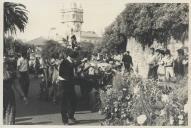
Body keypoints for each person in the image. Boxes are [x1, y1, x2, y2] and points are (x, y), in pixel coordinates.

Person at [58, 50, 87, 125]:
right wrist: (80, 61)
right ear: (71, 57)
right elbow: (70, 67)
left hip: (70, 84)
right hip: (64, 84)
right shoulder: (64, 62)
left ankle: (71, 116)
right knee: (64, 103)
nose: (75, 60)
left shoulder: (70, 62)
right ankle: (65, 121)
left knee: (74, 100)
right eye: (75, 58)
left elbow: (73, 69)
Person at [3, 57, 16, 124]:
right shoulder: (10, 73)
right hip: (8, 95)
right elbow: (16, 86)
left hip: (8, 95)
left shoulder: (10, 73)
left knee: (9, 112)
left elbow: (16, 85)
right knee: (9, 112)